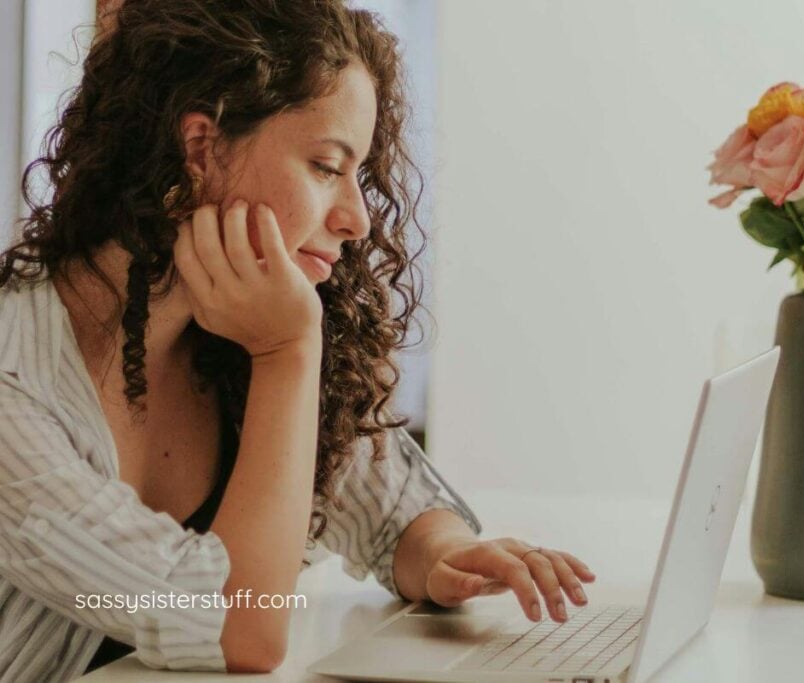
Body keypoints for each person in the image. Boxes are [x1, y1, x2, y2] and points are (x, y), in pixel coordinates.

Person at [0, 1, 595, 680]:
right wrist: (288, 354)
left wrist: (443, 553)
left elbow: (395, 507)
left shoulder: (224, 333)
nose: (358, 219)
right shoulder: (14, 380)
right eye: (325, 166)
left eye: (359, 174)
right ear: (199, 149)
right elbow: (243, 632)